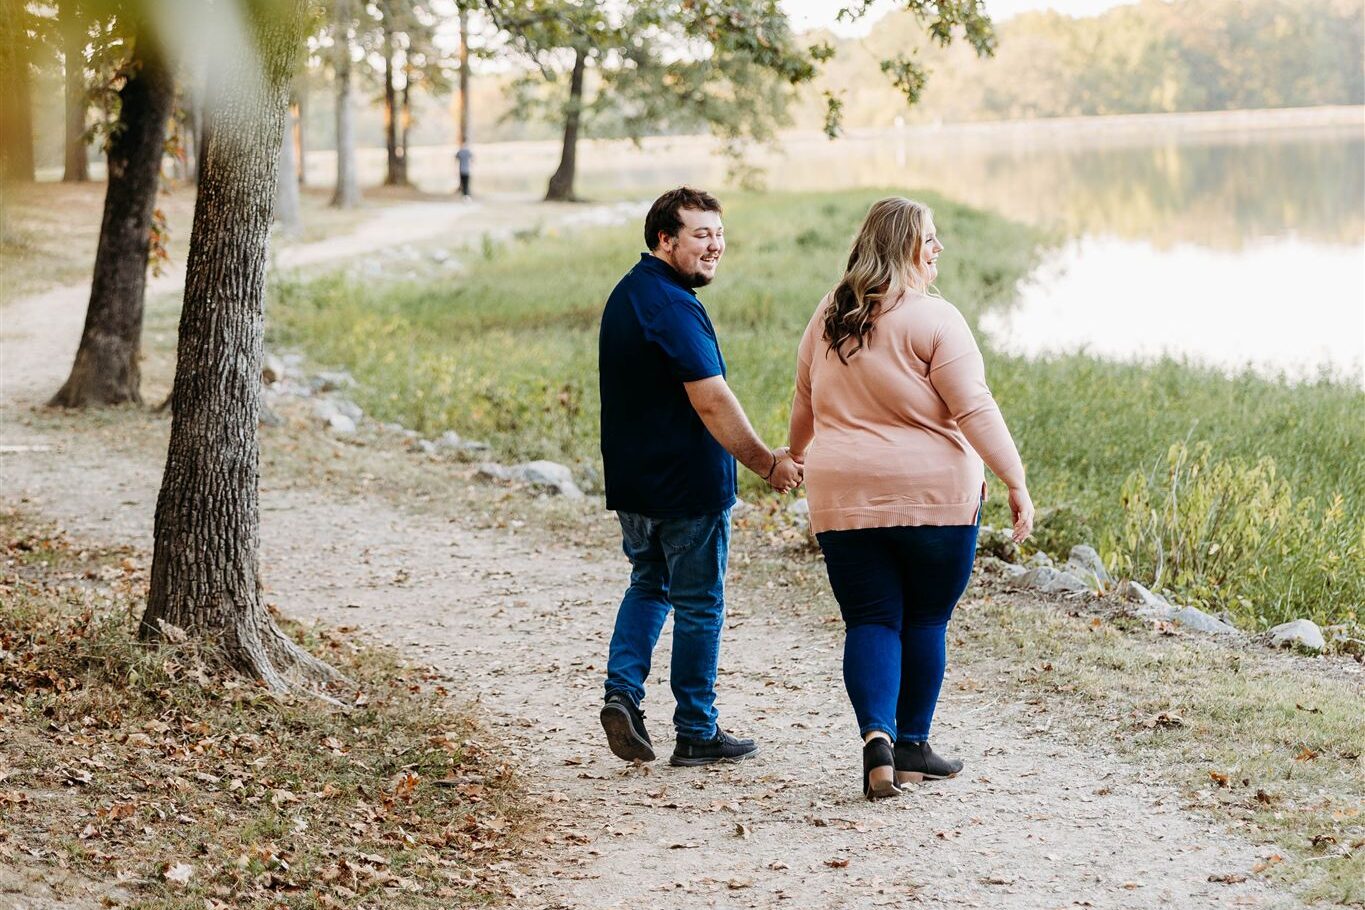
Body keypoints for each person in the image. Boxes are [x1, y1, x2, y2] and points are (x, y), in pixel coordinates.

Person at [787, 197, 1034, 800]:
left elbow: (804, 400)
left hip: (844, 495)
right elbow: (973, 407)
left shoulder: (830, 315)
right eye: (929, 239)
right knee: (925, 619)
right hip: (935, 497)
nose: (938, 248)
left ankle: (877, 738)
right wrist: (1015, 480)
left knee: (870, 619)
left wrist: (793, 457)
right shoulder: (936, 319)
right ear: (903, 247)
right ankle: (914, 747)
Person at [598, 186, 802, 767]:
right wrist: (767, 461)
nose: (716, 245)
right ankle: (696, 729)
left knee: (649, 584)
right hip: (685, 487)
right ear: (666, 239)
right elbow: (712, 399)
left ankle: (622, 694)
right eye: (700, 234)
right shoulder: (672, 305)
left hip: (636, 485)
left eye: (719, 232)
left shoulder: (631, 292)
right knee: (699, 604)